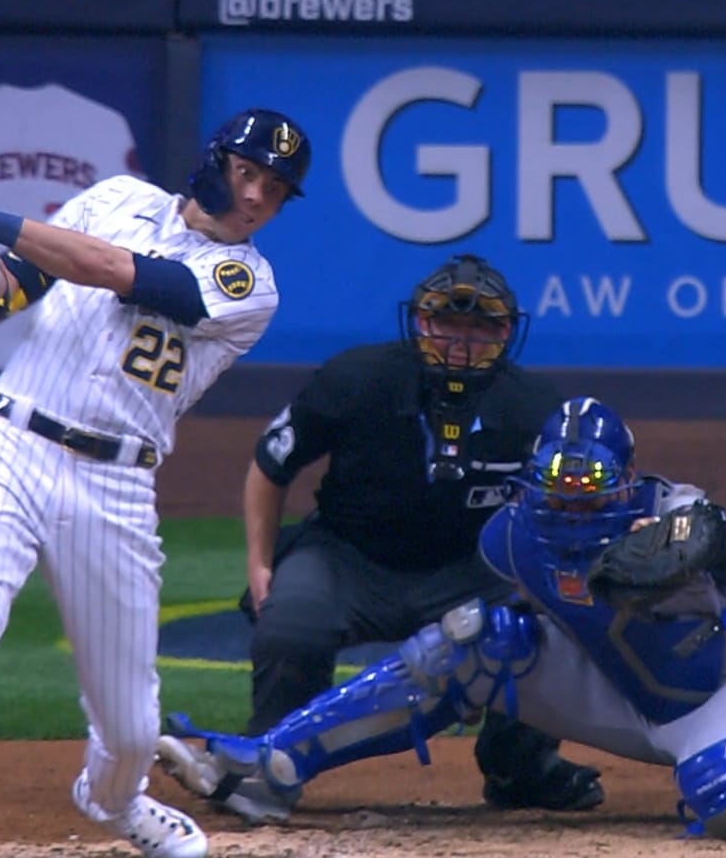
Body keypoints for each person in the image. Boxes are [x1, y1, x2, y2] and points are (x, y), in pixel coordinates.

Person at [0, 107, 311, 858]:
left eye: (274, 191)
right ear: (215, 162)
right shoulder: (115, 198)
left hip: (115, 487)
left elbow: (115, 272)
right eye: (248, 174)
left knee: (129, 726)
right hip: (9, 441)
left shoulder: (247, 284)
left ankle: (115, 801)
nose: (255, 198)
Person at [165, 396, 726, 840]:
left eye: (590, 488)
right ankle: (273, 765)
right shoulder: (512, 539)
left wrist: (706, 543)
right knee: (468, 641)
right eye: (557, 487)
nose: (572, 504)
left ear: (624, 480)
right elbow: (528, 637)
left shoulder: (680, 519)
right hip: (625, 690)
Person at [154, 255, 606, 824]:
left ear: (506, 334)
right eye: (446, 324)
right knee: (291, 625)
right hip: (347, 556)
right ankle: (263, 764)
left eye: (479, 327)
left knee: (546, 626)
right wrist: (259, 560)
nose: (460, 341)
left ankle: (520, 766)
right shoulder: (355, 378)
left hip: (469, 568)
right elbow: (272, 465)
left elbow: (571, 505)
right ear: (419, 324)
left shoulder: (536, 409)